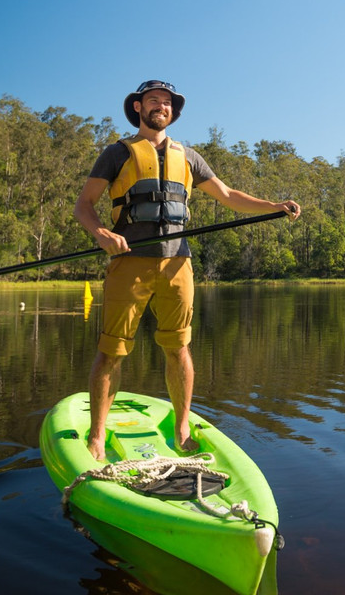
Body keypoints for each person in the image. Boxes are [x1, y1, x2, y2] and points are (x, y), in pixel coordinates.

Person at [74, 79, 301, 462]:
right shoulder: (116, 154)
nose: (160, 106)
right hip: (130, 263)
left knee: (178, 348)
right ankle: (97, 435)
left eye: (167, 102)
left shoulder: (190, 157)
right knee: (111, 351)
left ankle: (181, 429)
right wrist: (102, 234)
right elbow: (84, 205)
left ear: (172, 112)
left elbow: (228, 196)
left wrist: (273, 205)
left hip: (179, 263)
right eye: (153, 101)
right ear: (137, 108)